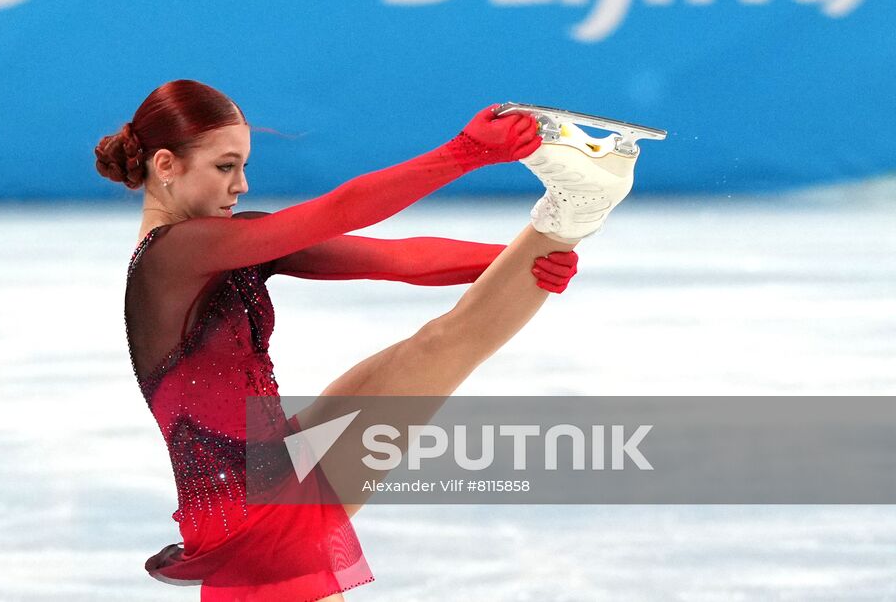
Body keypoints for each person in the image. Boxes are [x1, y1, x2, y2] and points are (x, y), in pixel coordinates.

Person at [94, 80, 635, 601]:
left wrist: (514, 262)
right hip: (250, 511)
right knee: (446, 344)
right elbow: (339, 209)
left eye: (243, 166)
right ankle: (575, 209)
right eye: (225, 167)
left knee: (430, 347)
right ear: (166, 166)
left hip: (267, 469)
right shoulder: (173, 255)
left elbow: (394, 260)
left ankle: (571, 213)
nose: (241, 185)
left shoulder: (225, 241)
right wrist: (465, 154)